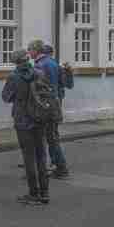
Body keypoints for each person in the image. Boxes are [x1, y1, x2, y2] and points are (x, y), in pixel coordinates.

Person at [2, 49, 49, 205]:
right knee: (41, 156)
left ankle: (33, 193)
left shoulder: (14, 77)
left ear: (15, 61)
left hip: (23, 119)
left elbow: (6, 97)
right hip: (39, 117)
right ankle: (45, 193)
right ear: (27, 59)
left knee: (29, 157)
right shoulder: (39, 73)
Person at [30, 41, 70, 179]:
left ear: (36, 50)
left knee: (48, 138)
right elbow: (64, 83)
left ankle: (60, 167)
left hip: (45, 106)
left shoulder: (40, 66)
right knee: (52, 136)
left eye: (30, 49)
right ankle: (56, 165)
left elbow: (37, 89)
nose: (29, 52)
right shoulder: (54, 63)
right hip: (55, 104)